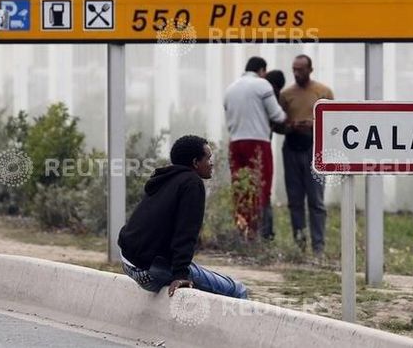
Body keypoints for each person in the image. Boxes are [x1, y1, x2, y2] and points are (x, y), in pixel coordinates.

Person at [118, 135, 247, 299]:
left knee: (197, 272)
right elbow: (186, 233)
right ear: (195, 163)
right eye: (208, 158)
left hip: (129, 264)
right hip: (150, 270)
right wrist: (180, 275)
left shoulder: (164, 179)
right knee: (237, 290)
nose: (211, 163)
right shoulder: (192, 183)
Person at [224, 57, 286, 240]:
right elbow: (278, 115)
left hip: (235, 143)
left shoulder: (230, 89)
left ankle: (242, 231)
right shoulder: (262, 85)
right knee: (261, 187)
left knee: (240, 188)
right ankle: (259, 233)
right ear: (262, 70)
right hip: (258, 142)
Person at [279, 55, 334, 255]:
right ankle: (300, 246)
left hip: (314, 149)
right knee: (295, 200)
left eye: (300, 69)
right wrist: (290, 125)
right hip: (292, 147)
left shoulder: (323, 92)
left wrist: (314, 124)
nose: (296, 73)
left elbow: (333, 121)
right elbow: (277, 123)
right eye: (294, 69)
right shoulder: (286, 95)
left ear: (310, 69)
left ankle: (318, 247)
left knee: (316, 201)